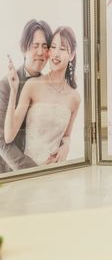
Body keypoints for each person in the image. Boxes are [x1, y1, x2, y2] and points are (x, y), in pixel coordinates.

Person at [4, 26, 81, 166]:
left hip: (56, 171)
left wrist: (66, 145)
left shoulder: (74, 98)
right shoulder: (33, 85)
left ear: (71, 55)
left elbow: (67, 135)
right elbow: (8, 137)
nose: (56, 54)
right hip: (31, 170)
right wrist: (14, 90)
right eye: (53, 47)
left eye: (62, 49)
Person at [0, 19, 52, 173]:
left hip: (47, 168)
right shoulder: (5, 85)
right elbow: (1, 141)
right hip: (13, 173)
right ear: (24, 48)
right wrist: (34, 171)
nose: (40, 52)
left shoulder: (49, 85)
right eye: (35, 45)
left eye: (45, 46)